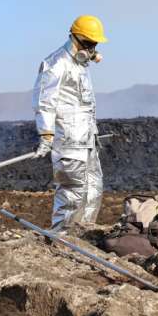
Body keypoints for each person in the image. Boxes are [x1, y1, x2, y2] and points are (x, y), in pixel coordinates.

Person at [33, 15, 108, 230]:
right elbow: (44, 101)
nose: (93, 49)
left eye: (95, 44)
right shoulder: (56, 63)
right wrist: (46, 135)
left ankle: (84, 235)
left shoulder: (81, 65)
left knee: (93, 189)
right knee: (72, 194)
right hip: (69, 143)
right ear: (77, 39)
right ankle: (63, 240)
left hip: (87, 141)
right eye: (90, 43)